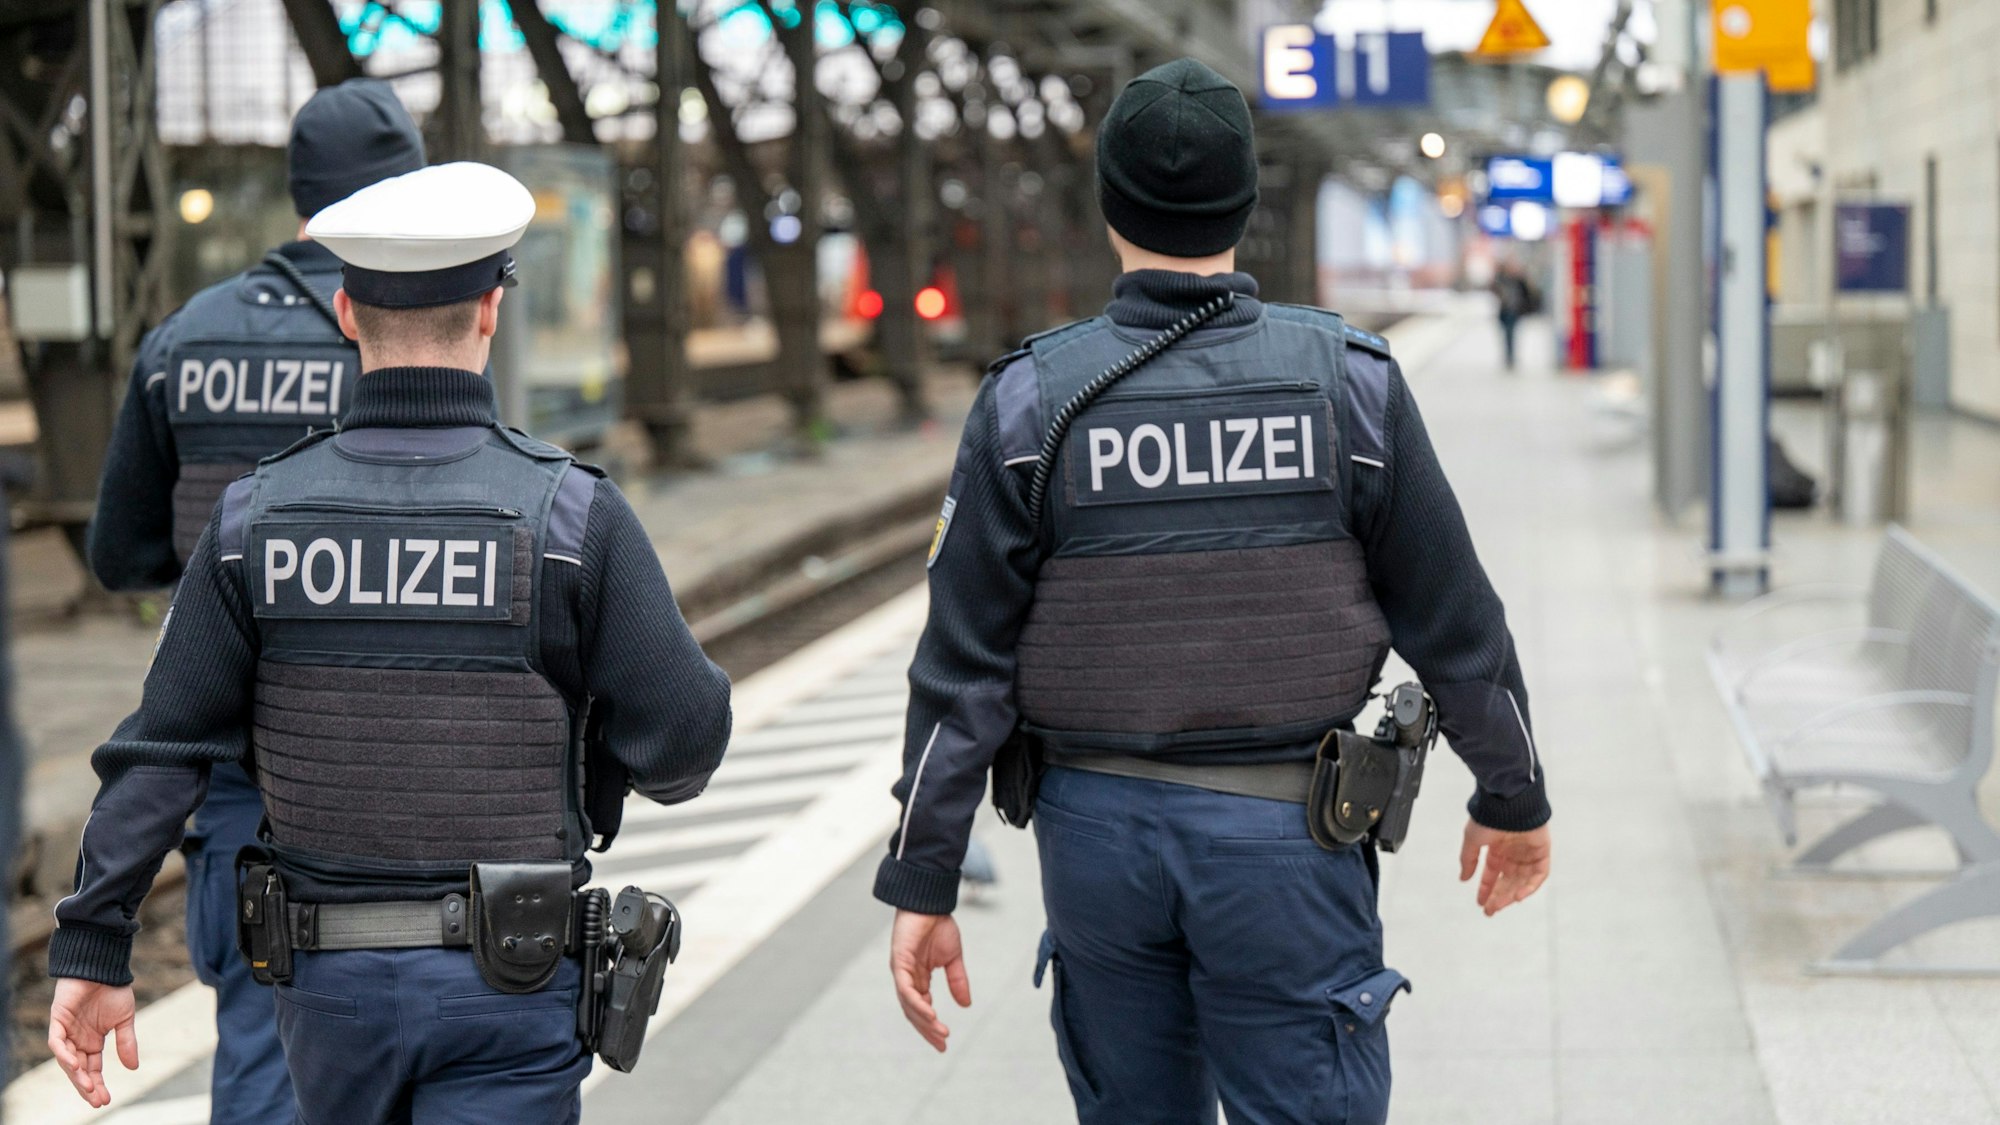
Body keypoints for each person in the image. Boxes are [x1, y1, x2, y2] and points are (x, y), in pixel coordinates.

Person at [876, 59, 1553, 1125]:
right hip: (1286, 837)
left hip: (1092, 839)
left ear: (1109, 207)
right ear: (1243, 202)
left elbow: (962, 670)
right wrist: (1510, 795)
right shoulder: (1349, 389)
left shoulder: (1025, 406)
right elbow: (1457, 626)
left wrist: (923, 876)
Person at [46, 161, 733, 1122]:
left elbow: (162, 748)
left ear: (345, 315)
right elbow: (687, 740)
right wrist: (592, 765)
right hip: (516, 979)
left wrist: (92, 944)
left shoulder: (256, 521)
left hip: (329, 997)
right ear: (491, 311)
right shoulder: (572, 517)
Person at [81, 76, 426, 1124]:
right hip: (396, 773)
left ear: (298, 195)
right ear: (406, 192)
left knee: (264, 1058)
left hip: (235, 774)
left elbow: (120, 551)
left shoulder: (184, 340)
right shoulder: (417, 332)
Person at [1492, 259, 1534, 371]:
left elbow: (1528, 293)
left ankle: (1511, 357)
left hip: (1515, 311)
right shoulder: (1502, 279)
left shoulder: (1519, 280)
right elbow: (1493, 287)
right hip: (1504, 311)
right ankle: (1508, 356)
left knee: (1511, 334)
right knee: (1506, 334)